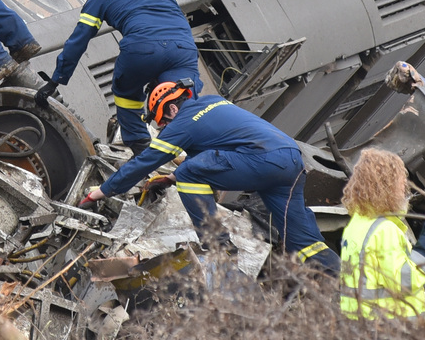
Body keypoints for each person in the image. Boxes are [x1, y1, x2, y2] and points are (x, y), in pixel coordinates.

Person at [78, 79, 341, 275]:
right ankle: (345, 284)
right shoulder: (212, 102)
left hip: (263, 161)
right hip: (291, 161)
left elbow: (144, 163)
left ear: (170, 109)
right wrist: (169, 179)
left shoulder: (183, 121)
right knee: (303, 241)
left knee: (188, 173)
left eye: (164, 124)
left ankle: (219, 247)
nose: (166, 130)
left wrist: (101, 192)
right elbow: (219, 148)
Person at [35, 0, 201, 155]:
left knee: (125, 91)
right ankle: (197, 148)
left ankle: (141, 148)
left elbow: (78, 41)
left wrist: (56, 80)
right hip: (183, 47)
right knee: (184, 96)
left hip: (141, 50)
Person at [339, 148, 425, 320]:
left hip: (361, 323)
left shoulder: (357, 224)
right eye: (401, 182)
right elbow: (406, 281)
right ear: (387, 187)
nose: (404, 188)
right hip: (392, 327)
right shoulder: (385, 230)